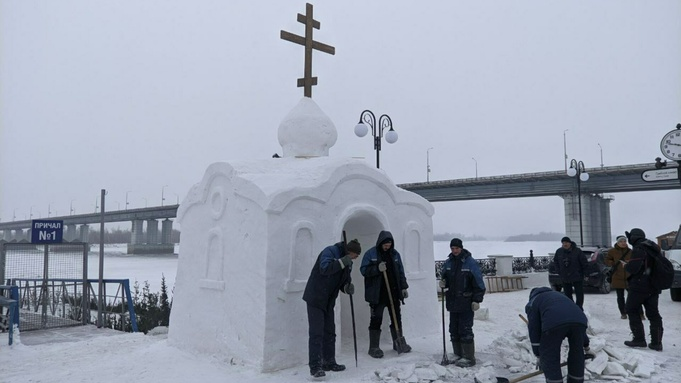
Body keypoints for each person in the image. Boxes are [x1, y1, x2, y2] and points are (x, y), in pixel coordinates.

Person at [302, 238, 362, 378]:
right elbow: (325, 269)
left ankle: (329, 362)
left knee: (330, 332)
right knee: (317, 333)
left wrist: (347, 288)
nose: (355, 258)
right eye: (355, 255)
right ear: (350, 251)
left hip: (328, 300)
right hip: (315, 297)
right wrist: (342, 262)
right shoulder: (330, 251)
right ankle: (315, 366)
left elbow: (342, 281)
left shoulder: (348, 263)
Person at [359, 230, 411, 358]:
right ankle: (374, 347)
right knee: (376, 319)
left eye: (389, 244)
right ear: (380, 243)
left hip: (393, 292)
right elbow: (363, 270)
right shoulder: (371, 254)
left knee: (396, 319)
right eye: (385, 244)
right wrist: (377, 269)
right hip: (377, 294)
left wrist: (403, 287)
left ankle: (398, 342)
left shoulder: (395, 254)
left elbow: (400, 271)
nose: (387, 246)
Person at [525, 287, 590, 383]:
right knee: (577, 353)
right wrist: (586, 346)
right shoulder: (561, 296)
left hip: (553, 324)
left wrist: (539, 354)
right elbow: (575, 321)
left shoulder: (533, 302)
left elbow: (534, 329)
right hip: (580, 321)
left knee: (550, 356)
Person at [438, 238, 486, 367]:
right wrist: (443, 283)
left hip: (466, 301)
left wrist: (477, 300)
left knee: (465, 329)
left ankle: (469, 357)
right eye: (452, 248)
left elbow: (479, 283)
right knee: (453, 328)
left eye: (456, 248)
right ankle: (458, 353)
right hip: (452, 301)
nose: (454, 251)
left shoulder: (470, 263)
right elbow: (445, 278)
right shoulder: (448, 263)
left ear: (461, 248)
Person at [623, 228, 664, 351]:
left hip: (639, 286)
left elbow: (634, 268)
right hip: (653, 285)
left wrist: (626, 265)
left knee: (631, 309)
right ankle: (656, 343)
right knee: (653, 314)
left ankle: (639, 339)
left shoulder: (639, 249)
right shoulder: (653, 247)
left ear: (633, 237)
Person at [553, 237, 587, 310]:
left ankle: (579, 307)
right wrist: (559, 271)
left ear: (570, 243)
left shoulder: (577, 251)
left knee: (579, 293)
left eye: (566, 242)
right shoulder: (559, 251)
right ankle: (571, 307)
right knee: (567, 293)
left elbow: (584, 262)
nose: (565, 244)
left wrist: (584, 273)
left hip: (577, 275)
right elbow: (556, 262)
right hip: (565, 276)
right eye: (563, 243)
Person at [605, 235, 632, 319]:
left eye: (624, 241)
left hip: (629, 277)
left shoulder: (630, 251)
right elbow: (607, 260)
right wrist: (613, 263)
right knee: (620, 297)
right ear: (617, 242)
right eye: (621, 241)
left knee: (633, 296)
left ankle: (638, 312)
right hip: (617, 276)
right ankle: (623, 313)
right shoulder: (612, 251)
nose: (623, 243)